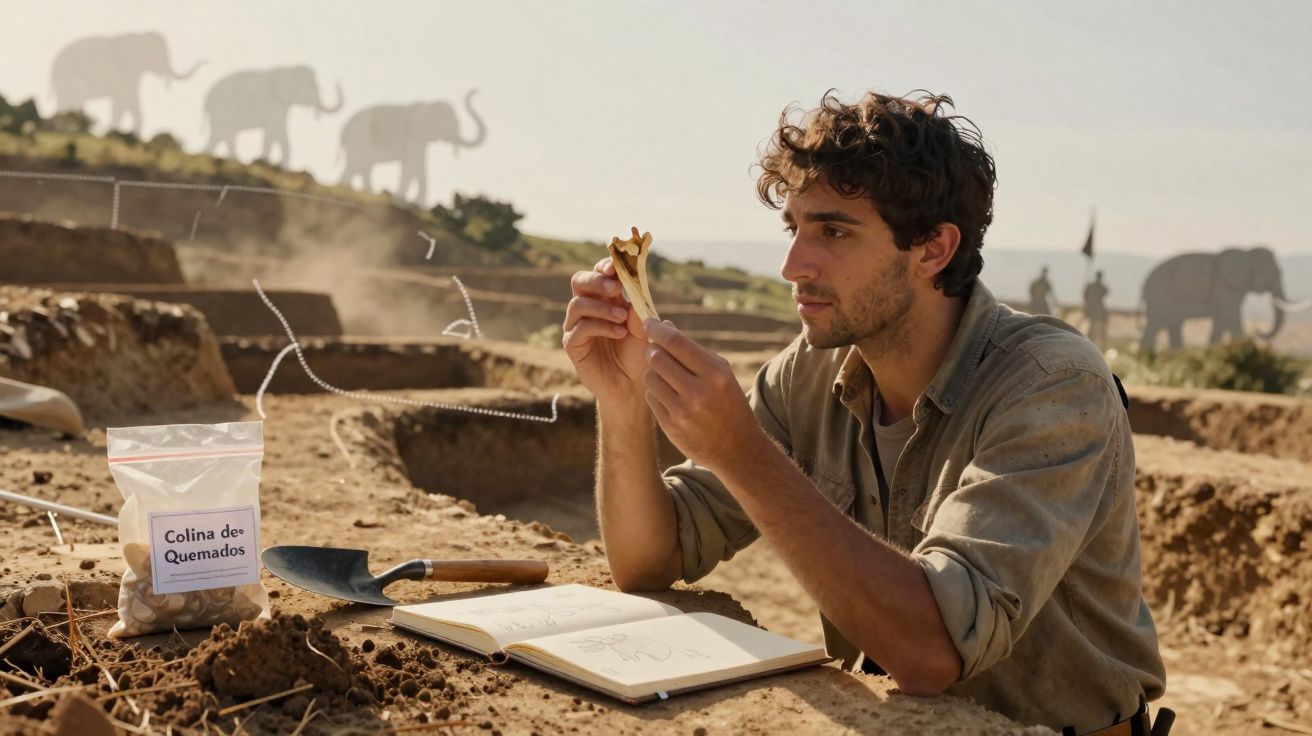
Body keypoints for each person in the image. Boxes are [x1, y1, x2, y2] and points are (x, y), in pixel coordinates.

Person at [562, 90, 1166, 734]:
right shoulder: (810, 371)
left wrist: (742, 452)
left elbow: (933, 651)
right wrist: (623, 400)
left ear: (932, 249)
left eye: (833, 231)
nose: (793, 265)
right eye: (793, 228)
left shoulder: (1051, 385)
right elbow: (649, 559)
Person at [1084, 270, 1110, 349]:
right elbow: (1086, 296)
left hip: (1099, 309)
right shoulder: (1093, 286)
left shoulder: (1099, 286)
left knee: (1101, 328)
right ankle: (1089, 344)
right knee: (1093, 328)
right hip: (1095, 309)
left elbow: (1106, 292)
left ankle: (1102, 346)